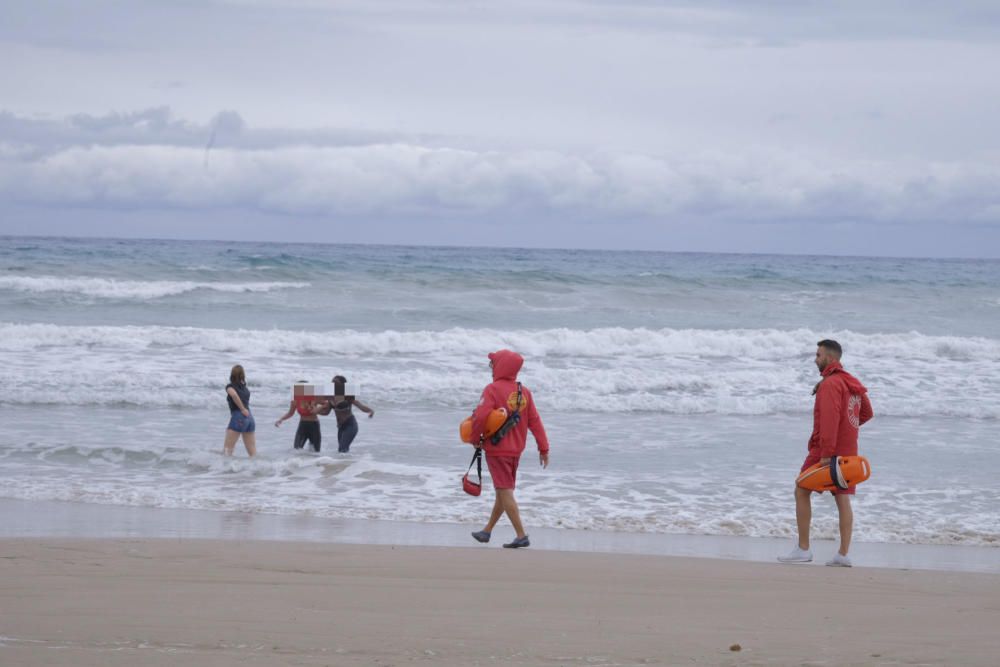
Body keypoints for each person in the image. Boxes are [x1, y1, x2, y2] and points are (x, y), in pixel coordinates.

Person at [779, 339, 873, 567]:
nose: (815, 358)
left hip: (826, 450)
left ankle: (803, 549)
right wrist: (847, 432)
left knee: (801, 489)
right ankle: (843, 555)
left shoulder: (831, 385)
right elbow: (866, 413)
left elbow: (830, 420)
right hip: (849, 451)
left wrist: (826, 453)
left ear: (830, 359)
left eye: (818, 355)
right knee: (842, 499)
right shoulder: (852, 382)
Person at [468, 349, 550, 549]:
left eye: (493, 364)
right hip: (515, 451)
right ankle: (487, 531)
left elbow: (480, 417)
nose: (491, 367)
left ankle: (521, 535)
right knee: (502, 491)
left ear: (500, 366)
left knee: (504, 491)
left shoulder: (492, 390)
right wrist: (544, 448)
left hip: (497, 450)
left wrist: (474, 439)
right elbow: (535, 422)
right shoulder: (524, 392)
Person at [316, 375, 374, 453]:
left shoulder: (347, 397)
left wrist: (370, 411)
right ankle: (347, 464)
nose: (334, 385)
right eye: (332, 382)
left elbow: (360, 406)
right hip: (340, 427)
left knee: (342, 449)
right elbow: (326, 412)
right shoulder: (331, 398)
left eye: (336, 383)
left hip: (350, 425)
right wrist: (315, 412)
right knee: (342, 450)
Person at [275, 381, 323, 452]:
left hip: (314, 426)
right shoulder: (295, 400)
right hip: (302, 426)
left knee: (315, 452)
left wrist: (317, 409)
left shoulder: (314, 398)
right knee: (296, 450)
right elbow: (290, 413)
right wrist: (281, 419)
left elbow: (327, 404)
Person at [223, 364, 257, 457]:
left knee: (227, 451)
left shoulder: (230, 386)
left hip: (239, 417)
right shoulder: (245, 389)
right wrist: (244, 410)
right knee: (253, 453)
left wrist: (242, 409)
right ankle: (257, 469)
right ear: (243, 375)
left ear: (232, 374)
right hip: (250, 419)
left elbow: (234, 395)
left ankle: (226, 471)